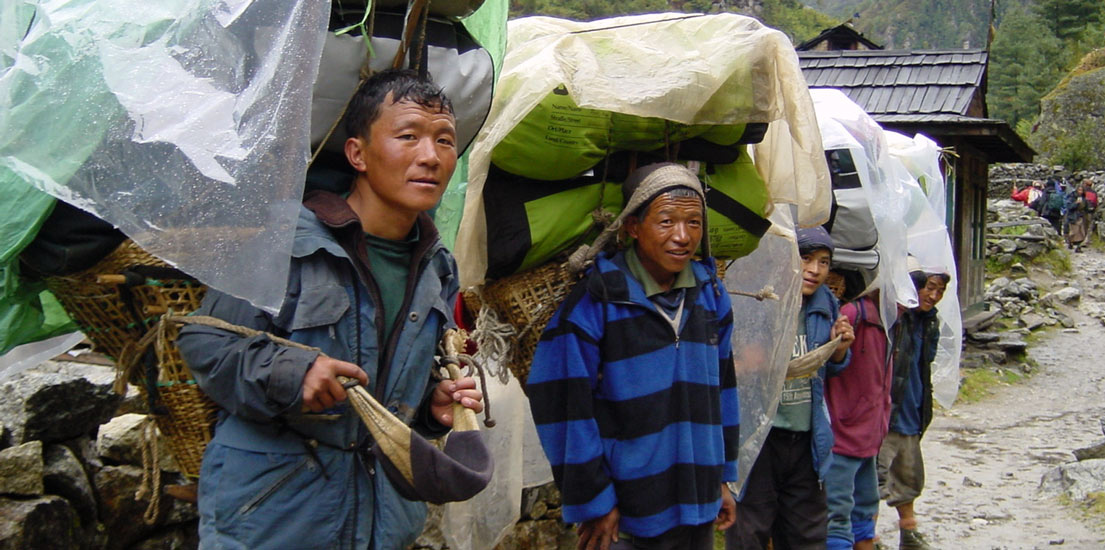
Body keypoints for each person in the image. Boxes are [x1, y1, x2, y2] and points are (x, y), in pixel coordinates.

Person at [176, 69, 484, 549]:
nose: (430, 157)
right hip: (274, 519)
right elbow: (204, 341)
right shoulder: (285, 243)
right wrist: (291, 373)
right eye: (408, 137)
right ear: (357, 153)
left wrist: (431, 408)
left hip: (382, 521)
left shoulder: (437, 266)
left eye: (445, 141)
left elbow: (397, 387)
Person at [528, 163, 739, 550]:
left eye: (694, 222)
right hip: (627, 510)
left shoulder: (711, 294)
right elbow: (561, 402)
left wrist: (722, 477)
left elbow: (723, 390)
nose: (682, 236)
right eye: (666, 221)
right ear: (631, 227)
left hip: (697, 499)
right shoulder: (598, 302)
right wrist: (595, 498)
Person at [726, 226, 855, 550]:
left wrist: (838, 349)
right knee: (749, 531)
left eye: (824, 262)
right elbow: (733, 368)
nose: (814, 270)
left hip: (805, 439)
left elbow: (830, 369)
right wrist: (752, 362)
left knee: (805, 535)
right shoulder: (760, 298)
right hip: (760, 439)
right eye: (806, 258)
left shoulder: (825, 304)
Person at [876, 263, 949, 550]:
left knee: (909, 476)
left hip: (912, 410)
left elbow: (924, 363)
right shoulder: (896, 317)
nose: (933, 295)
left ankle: (909, 532)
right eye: (929, 287)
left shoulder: (930, 321)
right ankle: (868, 536)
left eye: (940, 291)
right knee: (873, 479)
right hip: (887, 413)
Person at [824, 287, 891, 550]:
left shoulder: (890, 320)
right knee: (838, 517)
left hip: (870, 434)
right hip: (843, 436)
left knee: (865, 509)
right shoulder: (854, 313)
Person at [1065, 185, 1089, 253]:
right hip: (1073, 217)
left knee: (1081, 232)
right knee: (1074, 232)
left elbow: (1086, 207)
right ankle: (1070, 241)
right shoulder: (1071, 197)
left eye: (1082, 190)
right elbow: (1069, 207)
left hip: (1081, 217)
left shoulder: (1084, 198)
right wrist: (1076, 203)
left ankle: (1078, 247)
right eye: (1079, 190)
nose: (1080, 192)